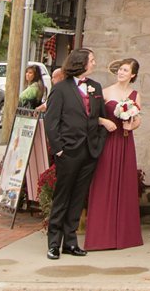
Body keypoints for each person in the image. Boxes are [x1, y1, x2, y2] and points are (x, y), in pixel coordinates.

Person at [43, 47, 105, 260]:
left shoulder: (95, 87)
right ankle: (53, 243)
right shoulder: (61, 89)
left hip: (89, 151)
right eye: (92, 59)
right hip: (68, 151)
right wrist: (59, 149)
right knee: (63, 197)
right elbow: (51, 122)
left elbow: (99, 117)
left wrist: (98, 143)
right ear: (81, 62)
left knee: (78, 198)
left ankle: (70, 242)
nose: (94, 63)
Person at [84, 57, 143, 251]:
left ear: (133, 74)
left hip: (125, 140)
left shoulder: (135, 94)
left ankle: (125, 235)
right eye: (120, 69)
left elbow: (138, 120)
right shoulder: (106, 91)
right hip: (108, 140)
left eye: (125, 70)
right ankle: (102, 234)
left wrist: (131, 124)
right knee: (104, 182)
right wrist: (104, 122)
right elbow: (93, 115)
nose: (121, 72)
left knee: (124, 183)